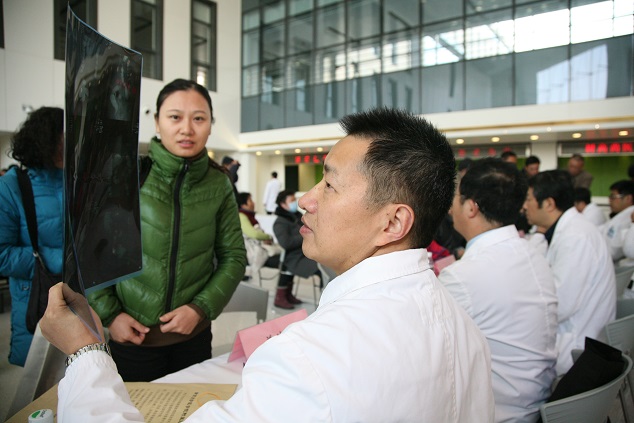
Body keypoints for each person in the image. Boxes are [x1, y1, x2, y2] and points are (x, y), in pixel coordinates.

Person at [41, 107, 494, 422]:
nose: (306, 200)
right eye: (174, 117)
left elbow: (232, 256)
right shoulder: (463, 328)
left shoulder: (311, 359)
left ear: (393, 222)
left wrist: (84, 353)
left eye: (330, 185)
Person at [87, 79, 247, 382]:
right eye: (175, 117)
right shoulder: (127, 175)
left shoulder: (219, 183)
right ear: (157, 122)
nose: (187, 129)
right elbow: (95, 252)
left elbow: (234, 256)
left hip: (194, 336)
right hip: (133, 338)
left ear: (210, 125)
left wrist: (200, 308)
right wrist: (111, 315)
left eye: (198, 118)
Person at [438, 158, 557, 422]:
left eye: (455, 197)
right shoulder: (533, 253)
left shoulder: (463, 276)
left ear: (471, 207)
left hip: (499, 411)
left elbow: (433, 354)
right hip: (536, 398)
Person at [524, 170, 615, 375]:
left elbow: (561, 305)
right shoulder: (570, 230)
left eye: (528, 199)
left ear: (549, 203)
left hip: (574, 345)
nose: (524, 206)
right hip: (574, 332)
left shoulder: (575, 237)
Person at [0, 107, 64, 366]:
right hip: (35, 299)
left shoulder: (79, 182)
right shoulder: (12, 186)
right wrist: (60, 259)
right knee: (41, 379)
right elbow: (2, 254)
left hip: (80, 299)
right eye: (61, 138)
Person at [272, 190, 319, 309]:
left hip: (303, 253)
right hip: (293, 257)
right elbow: (286, 243)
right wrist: (305, 235)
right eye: (291, 200)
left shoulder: (297, 216)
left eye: (294, 199)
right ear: (283, 204)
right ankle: (281, 297)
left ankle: (287, 295)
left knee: (325, 264)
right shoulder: (280, 222)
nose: (295, 202)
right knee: (320, 268)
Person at [237, 191, 280, 270]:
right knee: (283, 260)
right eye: (250, 200)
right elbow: (254, 234)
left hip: (258, 249)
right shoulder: (241, 216)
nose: (253, 203)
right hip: (252, 252)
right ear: (243, 205)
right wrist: (268, 237)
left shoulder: (250, 217)